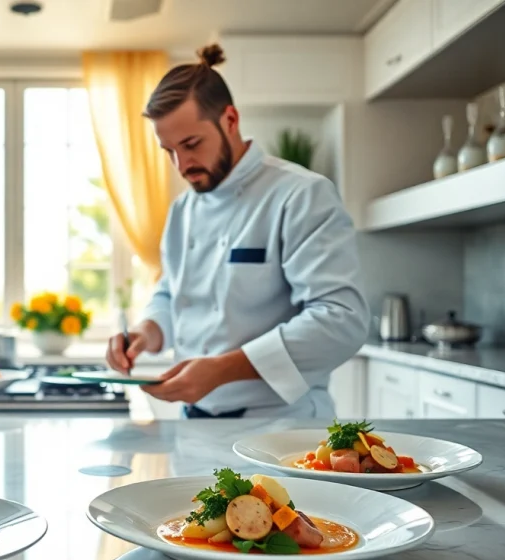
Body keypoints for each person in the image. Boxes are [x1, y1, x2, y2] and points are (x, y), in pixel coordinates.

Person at [106, 44, 369, 419]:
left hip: (280, 424)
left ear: (230, 119)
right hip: (194, 421)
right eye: (169, 151)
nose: (182, 164)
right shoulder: (182, 211)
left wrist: (221, 370)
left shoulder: (301, 194)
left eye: (191, 144)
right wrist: (145, 333)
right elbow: (171, 294)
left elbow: (341, 320)